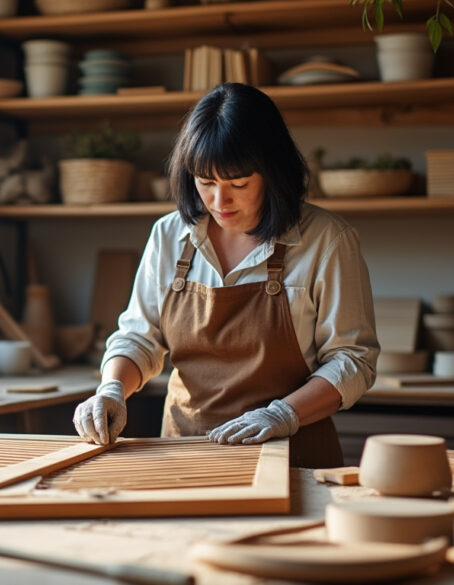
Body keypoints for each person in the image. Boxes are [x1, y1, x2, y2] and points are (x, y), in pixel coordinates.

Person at [72, 83, 379, 468]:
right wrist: (112, 388)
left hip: (292, 457)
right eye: (206, 182)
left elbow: (353, 359)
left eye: (238, 183)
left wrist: (282, 415)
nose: (220, 202)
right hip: (185, 454)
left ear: (272, 172)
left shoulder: (328, 241)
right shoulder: (169, 236)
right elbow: (140, 337)